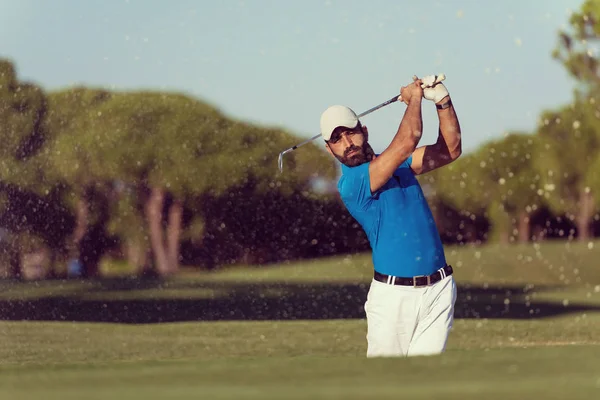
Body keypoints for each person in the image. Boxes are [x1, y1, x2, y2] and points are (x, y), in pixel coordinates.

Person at [320, 75, 462, 357]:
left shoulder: (401, 165)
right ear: (329, 148)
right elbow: (409, 138)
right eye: (336, 139)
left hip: (439, 289)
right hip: (393, 299)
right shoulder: (352, 184)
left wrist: (443, 101)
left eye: (350, 132)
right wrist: (415, 98)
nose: (347, 142)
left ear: (364, 130)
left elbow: (451, 150)